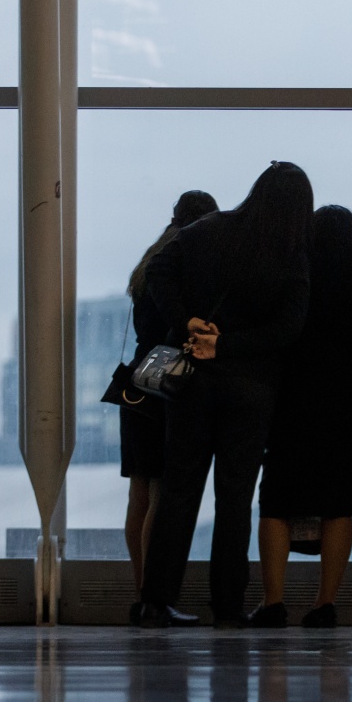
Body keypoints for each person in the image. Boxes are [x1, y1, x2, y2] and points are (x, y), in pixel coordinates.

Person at [138, 162, 313, 629]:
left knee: (178, 492)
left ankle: (157, 600)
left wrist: (188, 323)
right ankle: (228, 607)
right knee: (234, 499)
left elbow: (157, 272)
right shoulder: (290, 253)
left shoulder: (206, 229)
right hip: (251, 391)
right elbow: (289, 327)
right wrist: (229, 345)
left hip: (193, 383)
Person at [253, 204, 352, 629]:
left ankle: (273, 601)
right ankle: (325, 602)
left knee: (277, 501)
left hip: (293, 404)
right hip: (350, 408)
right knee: (337, 505)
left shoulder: (295, 283)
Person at [121, 190, 218, 621]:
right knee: (162, 493)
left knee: (139, 492)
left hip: (139, 381)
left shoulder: (150, 262)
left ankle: (142, 591)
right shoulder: (190, 265)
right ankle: (154, 598)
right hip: (171, 384)